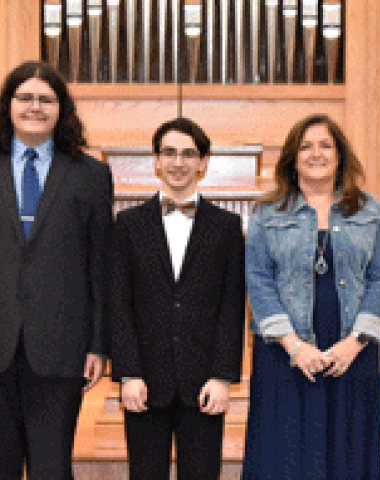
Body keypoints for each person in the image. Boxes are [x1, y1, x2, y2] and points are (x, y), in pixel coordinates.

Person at [243, 113, 380, 480]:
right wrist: (294, 346)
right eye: (306, 146)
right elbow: (258, 280)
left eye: (326, 145)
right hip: (283, 351)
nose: (316, 153)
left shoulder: (368, 207)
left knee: (347, 451)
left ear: (340, 155)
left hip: (351, 350)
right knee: (286, 455)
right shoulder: (267, 211)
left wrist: (355, 343)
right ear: (293, 157)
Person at [109, 117, 245, 480]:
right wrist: (127, 373)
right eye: (169, 152)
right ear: (155, 160)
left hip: (204, 383)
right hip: (144, 381)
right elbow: (118, 304)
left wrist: (222, 376)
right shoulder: (127, 225)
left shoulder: (227, 227)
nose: (178, 162)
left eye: (189, 154)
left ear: (203, 163)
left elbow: (231, 308)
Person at [0, 61, 112, 479]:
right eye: (25, 97)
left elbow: (100, 265)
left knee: (52, 469)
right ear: (8, 105)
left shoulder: (91, 174)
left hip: (61, 349)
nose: (35, 106)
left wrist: (99, 345)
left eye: (46, 99)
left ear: (61, 108)